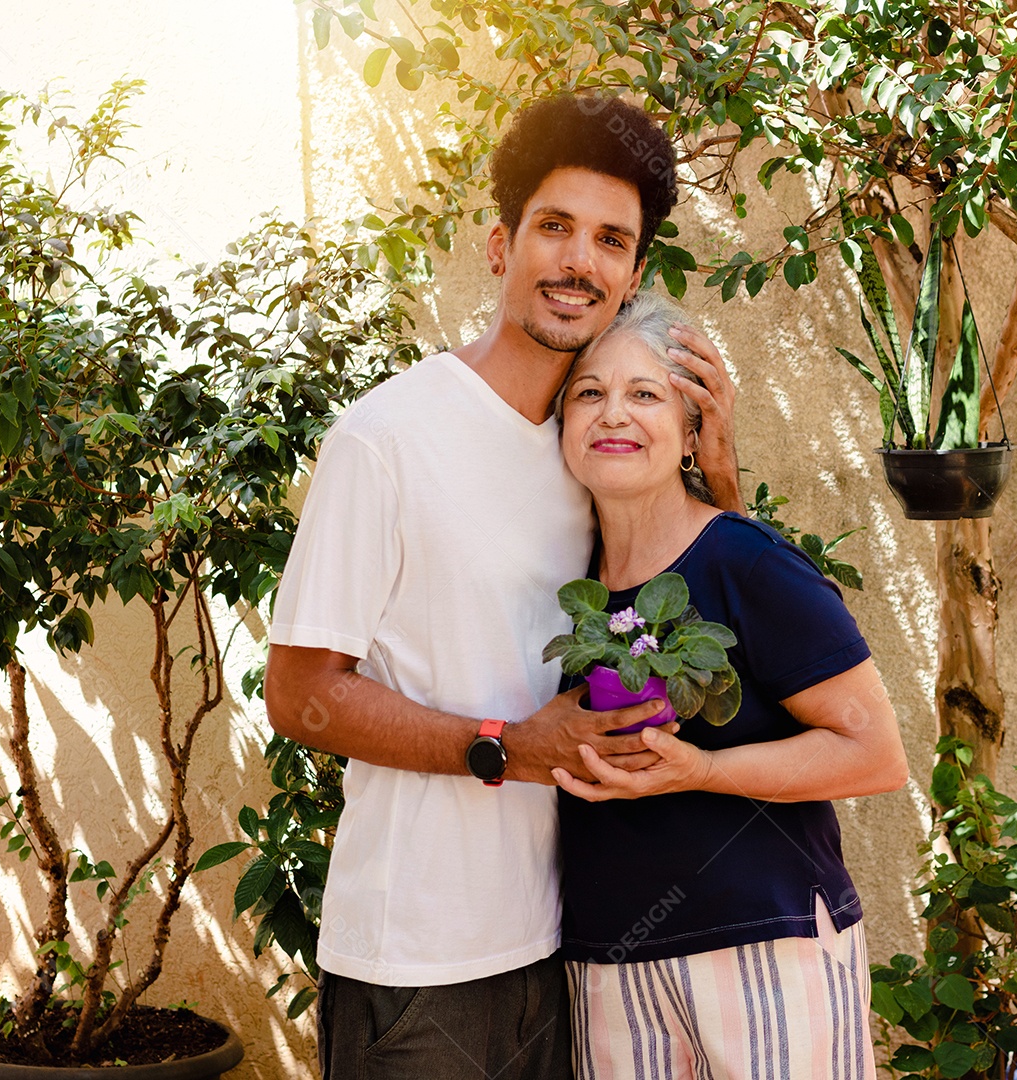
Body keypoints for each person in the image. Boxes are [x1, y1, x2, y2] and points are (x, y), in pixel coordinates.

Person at [264, 94, 743, 1080]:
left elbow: (720, 611)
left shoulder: (592, 445)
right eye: (554, 227)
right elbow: (301, 692)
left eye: (611, 240)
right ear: (500, 244)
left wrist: (719, 470)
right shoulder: (385, 440)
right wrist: (509, 750)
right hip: (418, 965)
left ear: (634, 275)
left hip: (560, 944)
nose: (579, 260)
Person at [551, 291, 909, 1080]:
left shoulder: (746, 560)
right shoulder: (562, 585)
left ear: (690, 430)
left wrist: (705, 772)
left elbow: (876, 755)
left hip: (764, 943)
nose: (613, 414)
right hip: (607, 961)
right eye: (589, 394)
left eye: (645, 394)